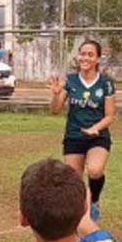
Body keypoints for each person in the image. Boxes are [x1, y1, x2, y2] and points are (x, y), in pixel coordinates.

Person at [49, 40, 116, 222]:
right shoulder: (70, 81)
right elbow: (55, 110)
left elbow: (110, 115)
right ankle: (79, 217)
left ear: (97, 59)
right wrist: (56, 94)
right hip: (74, 136)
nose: (85, 58)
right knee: (74, 182)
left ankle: (94, 201)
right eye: (82, 54)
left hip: (97, 136)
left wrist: (95, 128)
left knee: (95, 170)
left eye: (90, 54)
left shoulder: (106, 83)